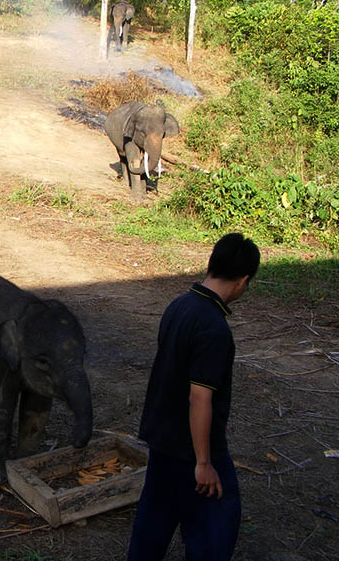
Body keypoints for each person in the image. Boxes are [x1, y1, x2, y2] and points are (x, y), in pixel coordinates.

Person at [127, 233, 261, 561]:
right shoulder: (214, 328)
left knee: (154, 519)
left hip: (162, 438)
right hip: (191, 449)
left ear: (212, 265)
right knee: (217, 522)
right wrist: (203, 463)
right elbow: (199, 398)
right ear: (243, 281)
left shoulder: (179, 305)